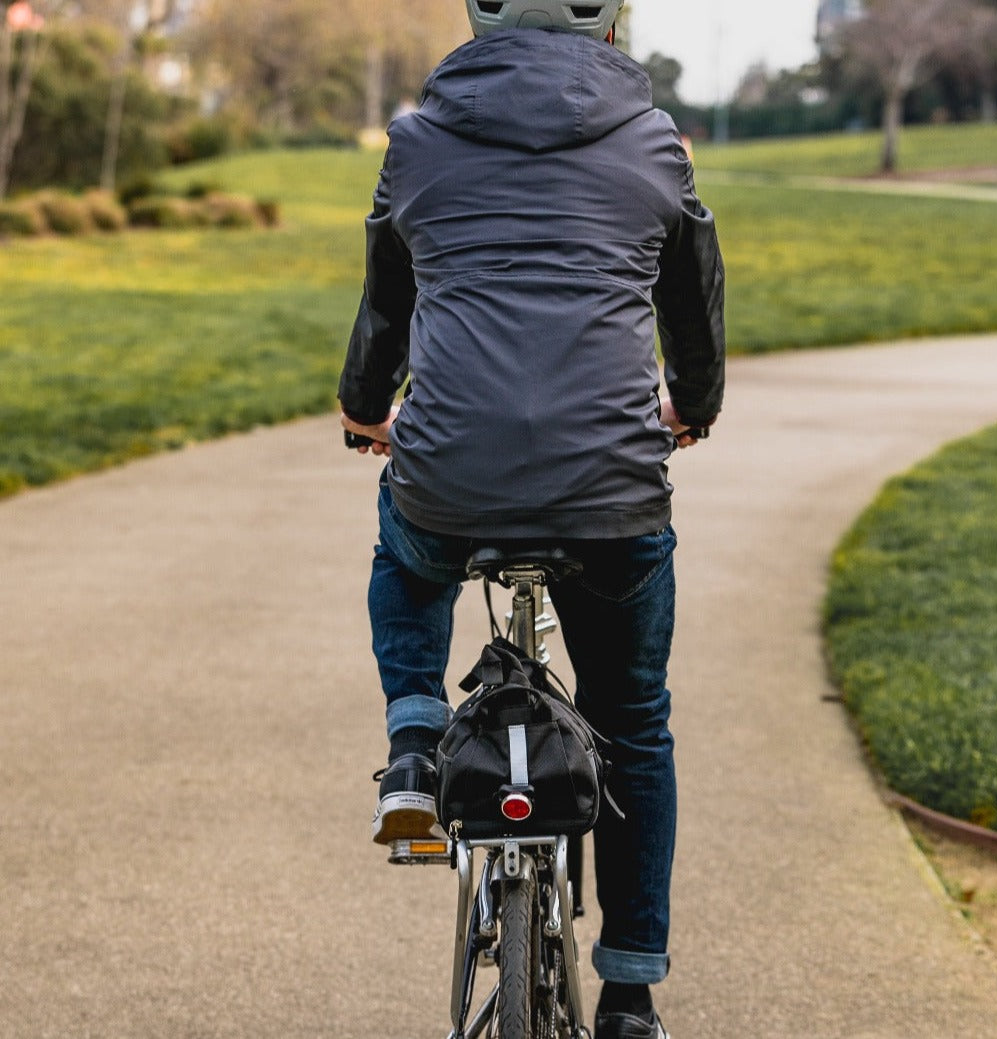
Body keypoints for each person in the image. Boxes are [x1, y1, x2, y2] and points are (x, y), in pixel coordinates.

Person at [338, 2, 725, 1036]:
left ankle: (414, 746)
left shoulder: (417, 144)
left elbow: (388, 298)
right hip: (610, 490)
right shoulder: (653, 143)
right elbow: (691, 304)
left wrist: (366, 409)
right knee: (633, 720)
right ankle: (632, 993)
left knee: (411, 549)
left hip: (450, 473)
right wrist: (692, 406)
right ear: (610, 25)